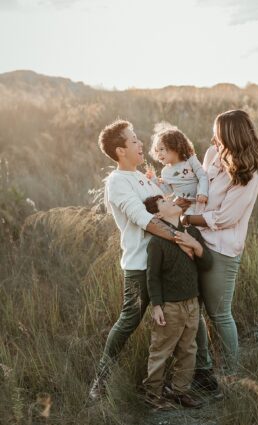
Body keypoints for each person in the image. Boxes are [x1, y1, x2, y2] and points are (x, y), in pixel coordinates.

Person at [88, 121, 217, 400]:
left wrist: (185, 204)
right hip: (141, 265)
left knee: (190, 311)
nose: (141, 144)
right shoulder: (117, 182)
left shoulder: (143, 177)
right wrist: (182, 240)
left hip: (172, 263)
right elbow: (146, 220)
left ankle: (202, 373)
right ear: (121, 150)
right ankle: (102, 378)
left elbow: (163, 210)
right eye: (134, 141)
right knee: (129, 319)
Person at [176, 108, 258, 377]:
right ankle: (203, 370)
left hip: (222, 249)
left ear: (232, 137)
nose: (213, 140)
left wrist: (188, 219)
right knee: (193, 309)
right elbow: (203, 193)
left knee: (219, 313)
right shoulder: (213, 155)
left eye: (218, 135)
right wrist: (181, 201)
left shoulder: (248, 173)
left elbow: (226, 217)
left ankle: (232, 376)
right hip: (197, 241)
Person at [141, 194, 212, 409]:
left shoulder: (192, 232)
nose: (171, 201)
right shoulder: (157, 242)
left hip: (192, 302)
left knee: (188, 349)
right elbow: (152, 277)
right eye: (164, 202)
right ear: (158, 215)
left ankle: (181, 391)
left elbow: (207, 263)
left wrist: (196, 247)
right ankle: (153, 394)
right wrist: (157, 306)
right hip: (170, 306)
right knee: (161, 349)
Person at [146, 121, 209, 211]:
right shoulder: (165, 172)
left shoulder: (190, 160)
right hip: (184, 208)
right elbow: (169, 193)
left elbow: (202, 176)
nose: (158, 154)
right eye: (157, 150)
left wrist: (203, 192)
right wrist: (154, 180)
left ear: (175, 146)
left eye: (161, 149)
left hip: (200, 202)